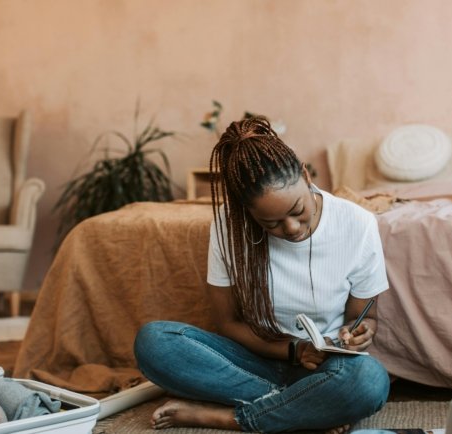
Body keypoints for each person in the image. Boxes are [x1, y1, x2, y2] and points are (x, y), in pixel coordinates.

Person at [134, 117, 390, 433]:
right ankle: (307, 411)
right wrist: (294, 350)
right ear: (248, 212)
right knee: (154, 342)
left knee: (368, 381)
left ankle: (229, 417)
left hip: (325, 367)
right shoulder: (229, 228)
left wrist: (360, 331)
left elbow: (365, 317)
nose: (292, 229)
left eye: (298, 211)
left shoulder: (358, 224)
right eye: (271, 224)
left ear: (305, 174)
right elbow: (227, 323)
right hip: (253, 360)